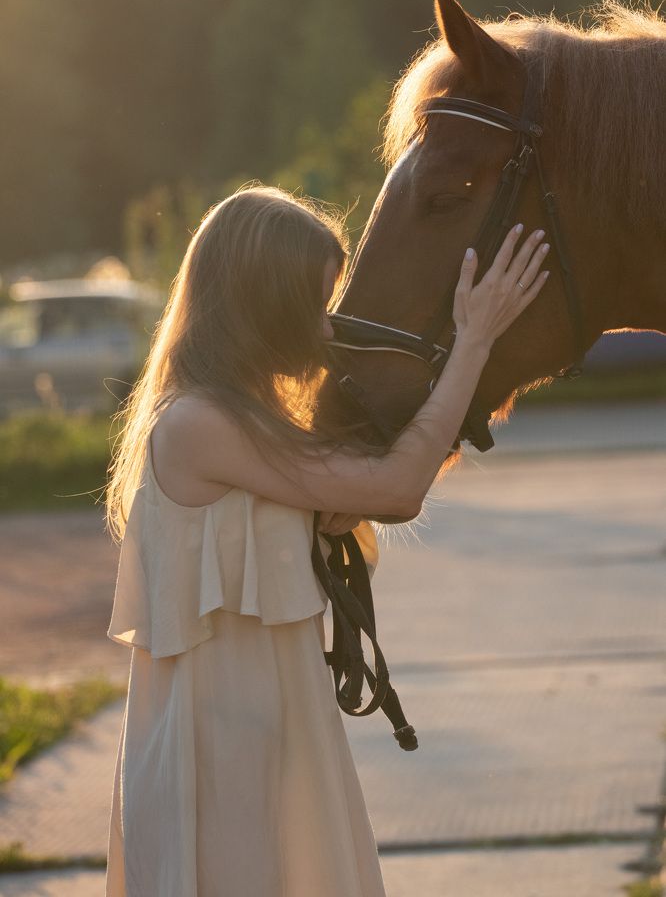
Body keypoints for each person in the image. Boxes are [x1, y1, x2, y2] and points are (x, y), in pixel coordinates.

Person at [104, 184, 549, 897]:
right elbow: (396, 487)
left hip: (264, 741)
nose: (326, 326)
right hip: (220, 760)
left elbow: (369, 488)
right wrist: (474, 341)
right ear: (264, 304)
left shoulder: (240, 420)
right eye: (312, 304)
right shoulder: (200, 424)